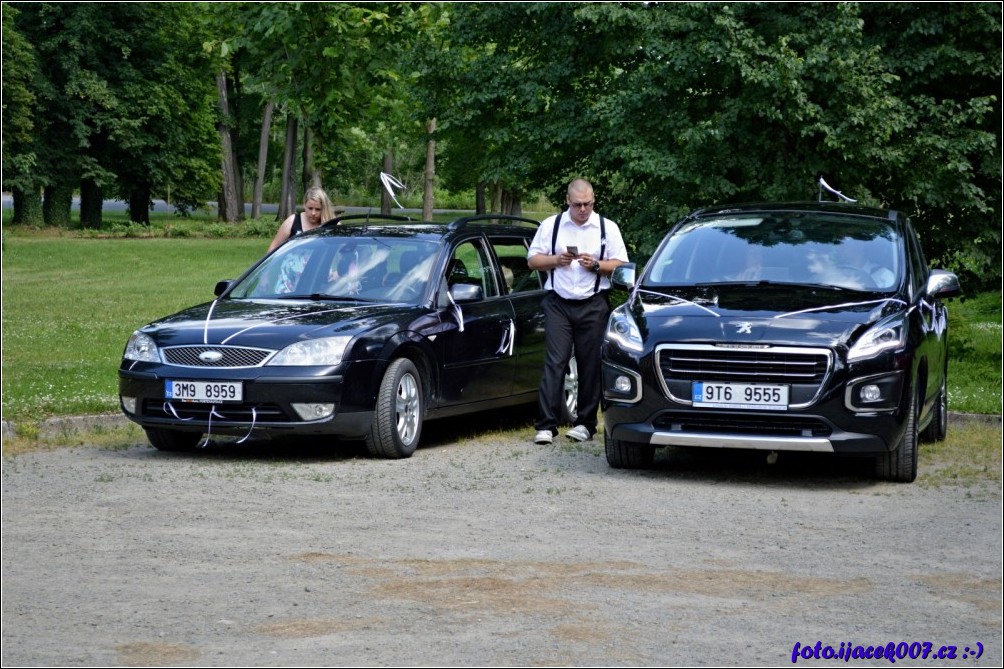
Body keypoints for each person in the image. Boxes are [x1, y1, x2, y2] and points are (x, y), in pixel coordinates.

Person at [527, 179, 628, 445]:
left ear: (594, 200)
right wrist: (555, 260)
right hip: (558, 302)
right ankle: (546, 426)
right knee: (555, 362)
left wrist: (596, 265)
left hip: (593, 302)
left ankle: (585, 423)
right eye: (577, 204)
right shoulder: (552, 225)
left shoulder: (607, 227)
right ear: (568, 201)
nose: (583, 209)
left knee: (589, 364)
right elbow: (532, 259)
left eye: (588, 204)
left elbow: (621, 264)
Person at [267, 186, 336, 253]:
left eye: (318, 209)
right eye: (310, 208)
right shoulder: (292, 221)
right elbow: (273, 248)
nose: (313, 213)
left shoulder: (331, 224)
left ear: (324, 209)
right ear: (304, 205)